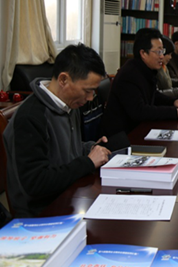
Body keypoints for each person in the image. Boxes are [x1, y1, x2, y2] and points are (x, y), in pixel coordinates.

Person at [4, 44, 112, 217]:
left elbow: (64, 150)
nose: (91, 98)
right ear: (63, 80)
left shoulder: (70, 104)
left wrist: (89, 148)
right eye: (88, 91)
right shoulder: (30, 116)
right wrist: (88, 162)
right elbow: (35, 184)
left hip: (71, 197)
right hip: (42, 214)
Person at [101, 28, 178, 136]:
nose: (162, 56)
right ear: (143, 53)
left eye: (162, 51)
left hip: (138, 129)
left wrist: (173, 102)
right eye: (158, 52)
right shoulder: (129, 74)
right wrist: (175, 112)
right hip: (123, 136)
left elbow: (153, 95)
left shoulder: (145, 69)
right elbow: (140, 111)